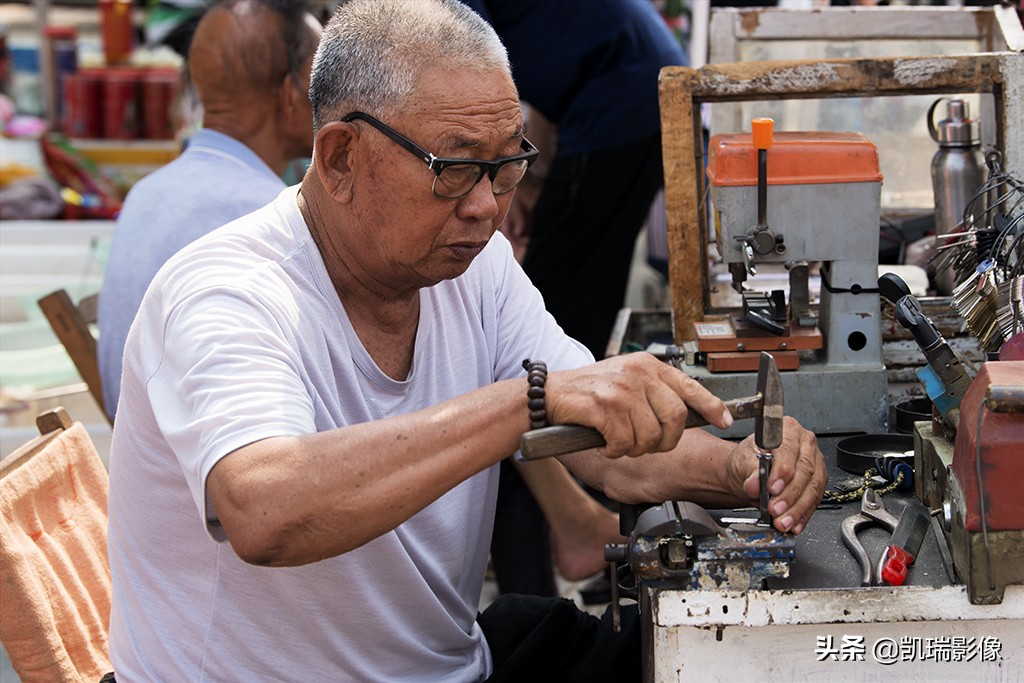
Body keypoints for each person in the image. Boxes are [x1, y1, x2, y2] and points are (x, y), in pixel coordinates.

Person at [106, 1, 827, 681]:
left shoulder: (470, 269)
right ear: (340, 159)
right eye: (452, 169)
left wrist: (741, 468)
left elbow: (611, 450)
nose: (485, 207)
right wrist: (526, 404)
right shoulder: (228, 288)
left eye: (507, 166)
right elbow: (264, 509)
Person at [460, 0, 690, 599]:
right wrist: (525, 181)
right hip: (637, 92)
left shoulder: (449, 23)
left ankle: (544, 584)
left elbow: (465, 70)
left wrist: (511, 180)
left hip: (623, 99)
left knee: (530, 372)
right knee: (546, 356)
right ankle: (580, 533)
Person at [97, 0, 323, 422]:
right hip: (206, 470)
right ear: (290, 92)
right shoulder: (267, 214)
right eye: (322, 80)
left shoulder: (148, 192)